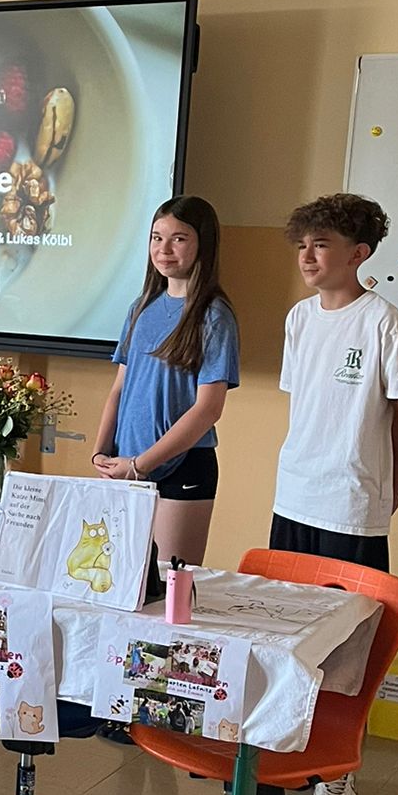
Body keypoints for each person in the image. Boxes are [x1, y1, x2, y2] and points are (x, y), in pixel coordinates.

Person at [271, 192, 398, 795]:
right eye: (303, 245)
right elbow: (306, 405)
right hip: (293, 497)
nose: (308, 256)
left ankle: (336, 774)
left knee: (346, 651)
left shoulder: (386, 322)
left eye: (323, 245)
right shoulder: (299, 318)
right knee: (287, 635)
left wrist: (391, 491)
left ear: (359, 253)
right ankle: (286, 750)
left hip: (352, 506)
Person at [93, 195, 240, 566]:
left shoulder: (213, 316)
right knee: (121, 578)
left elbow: (208, 409)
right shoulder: (141, 307)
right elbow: (119, 390)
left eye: (179, 239)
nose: (164, 249)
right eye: (157, 238)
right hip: (126, 465)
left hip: (182, 468)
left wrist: (142, 464)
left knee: (171, 585)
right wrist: (101, 453)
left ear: (203, 244)